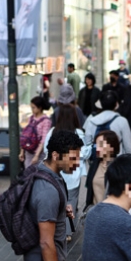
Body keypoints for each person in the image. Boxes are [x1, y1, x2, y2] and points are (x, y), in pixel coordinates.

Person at [24, 130, 83, 261]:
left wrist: (61, 208)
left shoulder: (47, 173)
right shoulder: (47, 190)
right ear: (56, 155)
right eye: (72, 158)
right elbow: (46, 242)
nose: (77, 163)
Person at [43, 104, 93, 242]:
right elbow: (86, 153)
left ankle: (58, 229)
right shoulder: (79, 132)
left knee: (58, 200)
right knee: (71, 201)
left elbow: (46, 149)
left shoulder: (52, 131)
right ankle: (67, 231)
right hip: (73, 175)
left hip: (57, 175)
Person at [84, 130, 121, 209]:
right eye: (96, 145)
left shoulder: (119, 168)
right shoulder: (95, 164)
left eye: (100, 145)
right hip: (94, 212)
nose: (97, 148)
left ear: (111, 147)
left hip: (110, 213)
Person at [20, 96, 53, 168]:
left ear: (40, 108)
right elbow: (26, 135)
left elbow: (44, 139)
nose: (32, 109)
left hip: (39, 153)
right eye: (31, 107)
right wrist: (22, 151)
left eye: (33, 107)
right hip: (29, 152)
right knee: (28, 174)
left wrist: (36, 155)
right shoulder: (31, 118)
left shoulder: (46, 121)